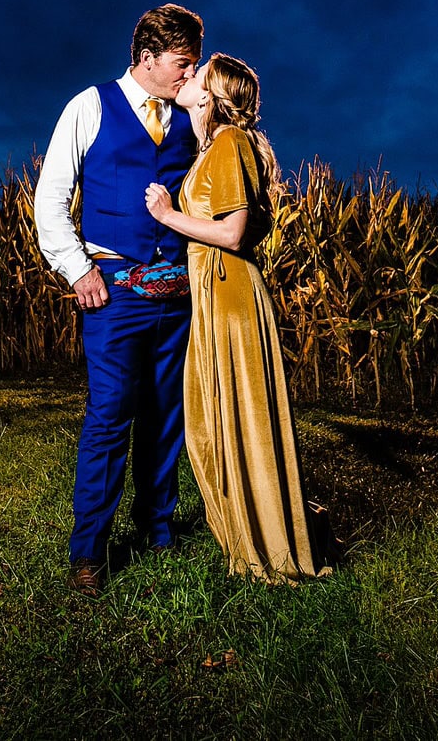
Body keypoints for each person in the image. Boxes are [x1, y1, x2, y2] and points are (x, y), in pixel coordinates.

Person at [34, 3, 203, 595]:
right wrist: (78, 271)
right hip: (114, 296)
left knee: (166, 418)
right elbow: (50, 200)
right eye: (183, 64)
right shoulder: (89, 105)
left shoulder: (194, 119)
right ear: (148, 56)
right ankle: (89, 551)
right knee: (109, 417)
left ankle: (157, 531)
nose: (191, 74)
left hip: (179, 299)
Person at [144, 53, 330, 582]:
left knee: (238, 411)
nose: (188, 76)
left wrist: (167, 215)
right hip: (213, 290)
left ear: (209, 94)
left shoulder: (228, 142)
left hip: (229, 292)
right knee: (214, 414)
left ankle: (267, 542)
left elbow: (232, 232)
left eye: (197, 74)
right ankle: (249, 530)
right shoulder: (215, 146)